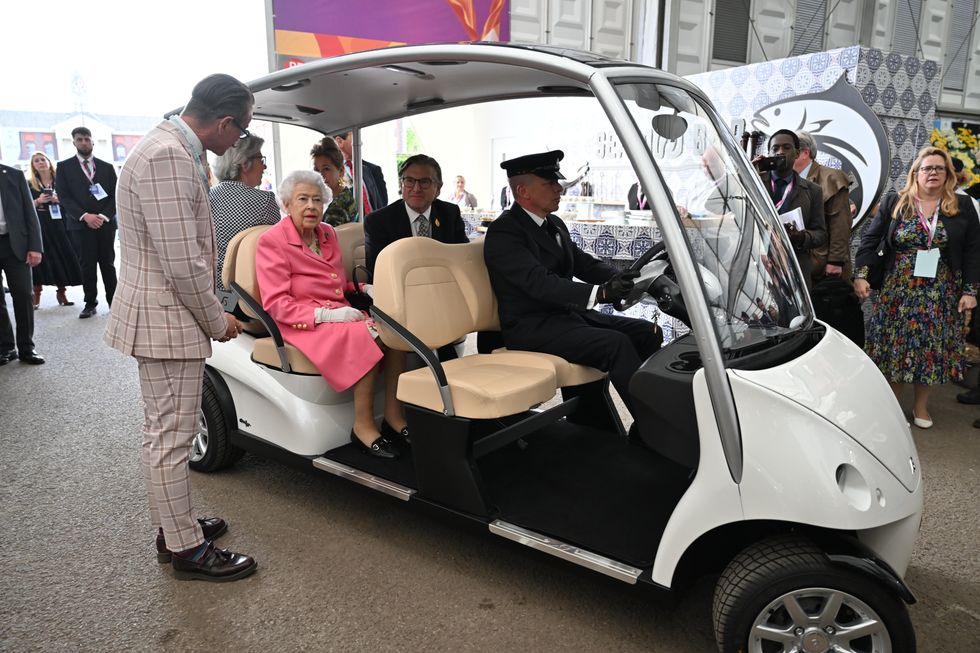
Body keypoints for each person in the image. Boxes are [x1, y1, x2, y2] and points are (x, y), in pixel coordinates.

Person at [104, 73, 257, 581]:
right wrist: (218, 320)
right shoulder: (168, 156)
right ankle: (187, 550)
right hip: (168, 318)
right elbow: (183, 263)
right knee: (171, 437)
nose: (239, 142)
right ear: (225, 121)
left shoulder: (164, 144)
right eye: (241, 131)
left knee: (165, 432)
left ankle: (176, 526)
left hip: (161, 313)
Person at [483, 150, 662, 412]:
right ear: (523, 191)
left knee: (647, 333)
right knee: (616, 344)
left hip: (565, 319)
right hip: (533, 327)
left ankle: (606, 420)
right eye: (550, 184)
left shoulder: (553, 224)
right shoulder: (505, 231)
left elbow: (583, 263)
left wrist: (624, 278)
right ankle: (655, 429)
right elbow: (539, 283)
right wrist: (600, 294)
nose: (559, 189)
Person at [255, 170, 408, 459]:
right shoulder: (272, 241)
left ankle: (393, 415)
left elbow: (335, 286)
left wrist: (364, 287)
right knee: (370, 335)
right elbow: (276, 304)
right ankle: (363, 426)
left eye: (316, 199)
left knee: (394, 330)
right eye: (302, 199)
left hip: (338, 313)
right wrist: (326, 317)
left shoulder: (327, 232)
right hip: (300, 322)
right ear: (286, 204)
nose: (311, 206)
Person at [854, 146, 980, 429]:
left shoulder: (962, 207)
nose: (933, 172)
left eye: (939, 168)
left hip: (940, 291)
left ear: (948, 174)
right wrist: (861, 275)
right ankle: (894, 406)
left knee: (929, 349)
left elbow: (974, 251)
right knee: (895, 347)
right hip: (898, 289)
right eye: (927, 168)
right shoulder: (895, 202)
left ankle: (921, 406)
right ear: (916, 173)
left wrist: (970, 292)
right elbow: (869, 241)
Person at [364, 154, 469, 273]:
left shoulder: (450, 214)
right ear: (401, 185)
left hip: (443, 285)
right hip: (399, 288)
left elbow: (464, 259)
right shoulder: (378, 221)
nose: (416, 189)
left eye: (425, 182)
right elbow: (377, 272)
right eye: (409, 181)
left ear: (438, 189)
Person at [56, 126, 118, 319]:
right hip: (80, 225)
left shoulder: (106, 167)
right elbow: (64, 197)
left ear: (92, 141)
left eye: (86, 139)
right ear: (74, 142)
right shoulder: (64, 167)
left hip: (105, 224)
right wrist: (85, 216)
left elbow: (116, 195)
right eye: (79, 139)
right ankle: (90, 303)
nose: (84, 142)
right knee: (87, 265)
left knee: (108, 264)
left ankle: (114, 303)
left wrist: (103, 216)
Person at [755, 129, 827, 289]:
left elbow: (820, 234)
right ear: (769, 153)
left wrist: (801, 237)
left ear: (797, 153)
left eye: (786, 147)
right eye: (775, 148)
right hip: (757, 268)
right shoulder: (754, 183)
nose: (780, 152)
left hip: (794, 270)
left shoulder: (813, 190)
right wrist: (745, 174)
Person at [209, 134, 280, 292]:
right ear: (244, 164)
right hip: (247, 295)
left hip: (211, 291)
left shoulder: (207, 196)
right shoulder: (264, 200)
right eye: (261, 160)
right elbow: (277, 253)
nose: (264, 167)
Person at [0, 163, 45, 365]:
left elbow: (30, 212)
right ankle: (6, 347)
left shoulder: (14, 175)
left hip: (14, 243)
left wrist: (35, 246)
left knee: (24, 294)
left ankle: (27, 347)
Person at [794, 130, 853, 283]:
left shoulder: (831, 178)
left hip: (822, 264)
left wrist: (835, 261)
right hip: (794, 262)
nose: (781, 155)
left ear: (804, 153)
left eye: (788, 150)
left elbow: (840, 223)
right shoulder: (785, 180)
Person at [26, 152, 82, 308]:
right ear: (33, 166)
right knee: (41, 258)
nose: (40, 162)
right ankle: (36, 295)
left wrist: (59, 200)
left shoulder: (61, 181)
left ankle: (62, 292)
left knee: (62, 255)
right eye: (36, 161)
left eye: (43, 159)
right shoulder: (29, 184)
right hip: (41, 224)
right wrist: (38, 200)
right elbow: (24, 205)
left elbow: (73, 200)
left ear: (49, 162)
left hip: (60, 222)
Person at [332, 130, 387, 214]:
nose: (360, 142)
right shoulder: (332, 173)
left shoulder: (369, 169)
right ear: (340, 141)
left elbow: (380, 203)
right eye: (355, 137)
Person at [311, 137, 357, 226]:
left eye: (326, 169)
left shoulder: (337, 208)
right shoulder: (345, 195)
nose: (320, 175)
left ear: (341, 171)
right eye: (316, 170)